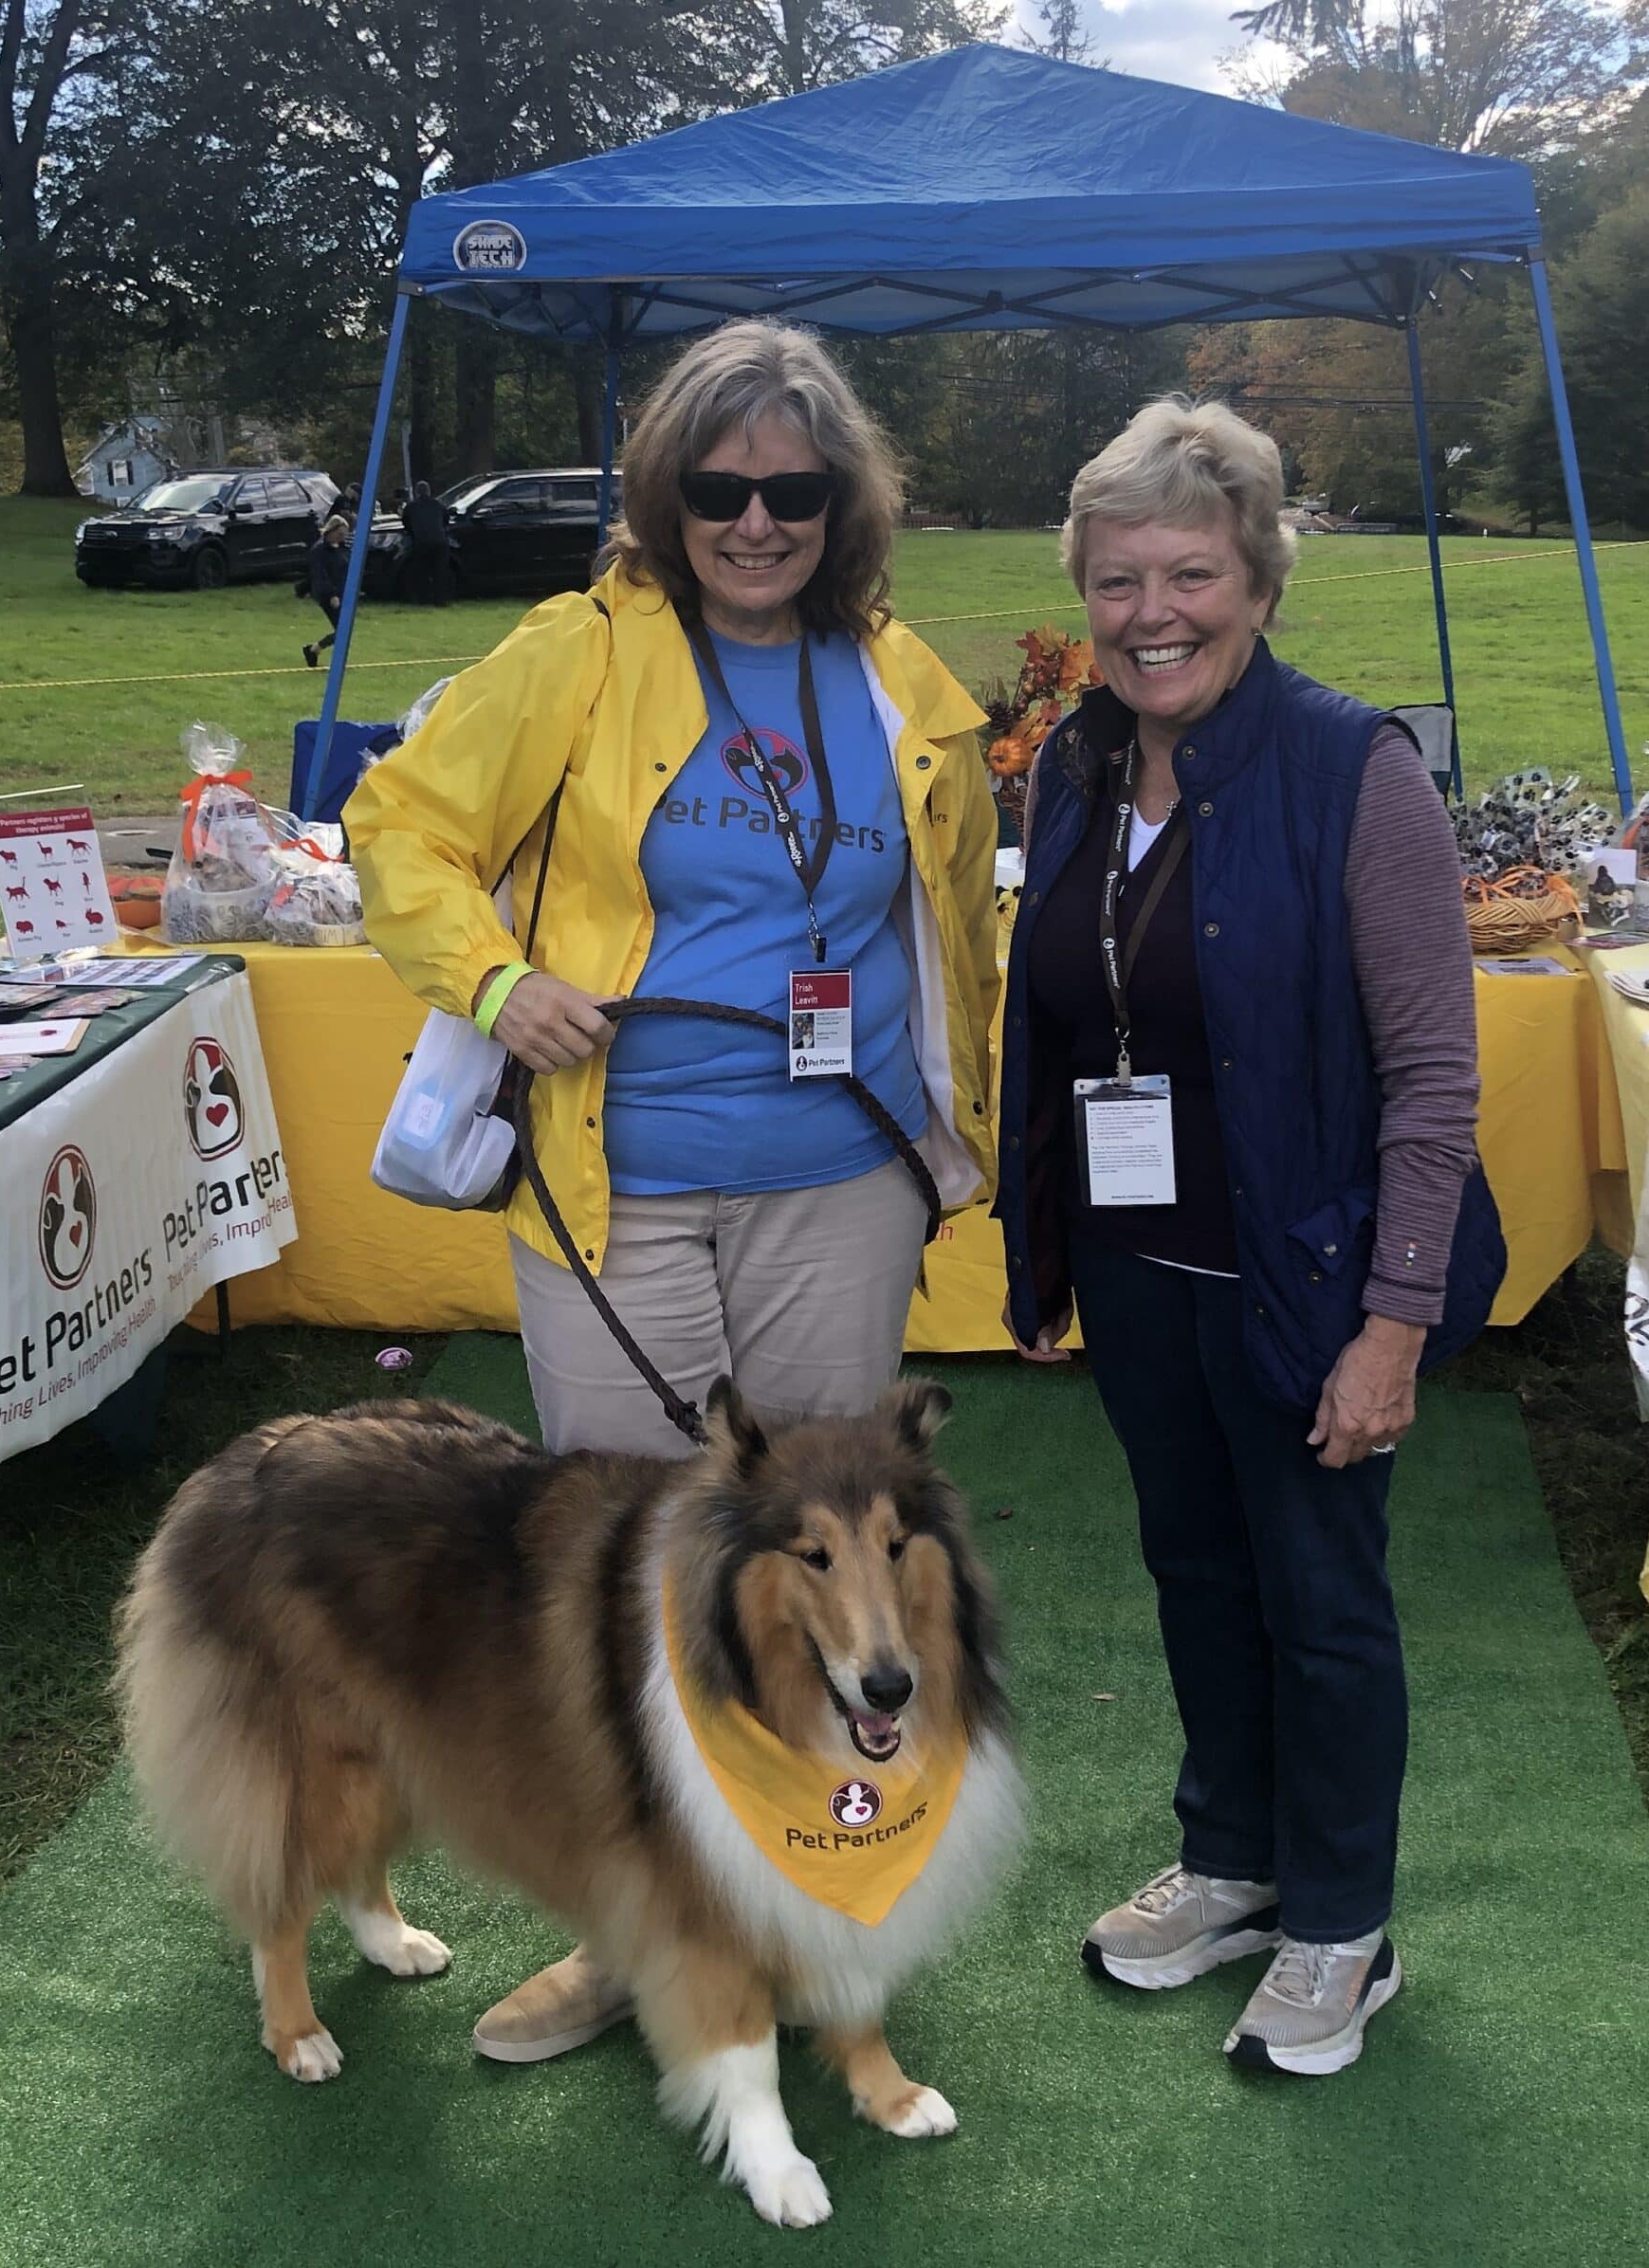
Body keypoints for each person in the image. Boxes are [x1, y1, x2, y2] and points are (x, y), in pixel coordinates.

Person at [344, 318, 1000, 2066]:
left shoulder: (903, 679)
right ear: (670, 491)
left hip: (840, 1186)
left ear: (842, 499)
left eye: (794, 488)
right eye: (721, 486)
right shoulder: (576, 651)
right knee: (641, 1584)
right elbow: (395, 826)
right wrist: (491, 982)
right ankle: (630, 1940)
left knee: (823, 1587)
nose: (758, 519)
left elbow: (955, 915)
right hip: (615, 1188)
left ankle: (813, 1907)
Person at [993, 397, 1505, 2078]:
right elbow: (1059, 1024)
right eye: (1120, 576)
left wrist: (1393, 1320)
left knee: (1322, 1599)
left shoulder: (1352, 768)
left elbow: (1434, 1077)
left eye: (1191, 572)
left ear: (1262, 577)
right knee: (1199, 1573)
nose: (1154, 611)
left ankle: (1342, 1925)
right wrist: (1047, 1248)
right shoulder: (1075, 764)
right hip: (1144, 1272)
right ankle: (1236, 1856)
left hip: (1307, 1281)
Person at [302, 514, 351, 668]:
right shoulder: (319, 550)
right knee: (343, 630)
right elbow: (320, 575)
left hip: (343, 593)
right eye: (340, 534)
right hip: (327, 595)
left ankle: (313, 649)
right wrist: (332, 595)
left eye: (344, 535)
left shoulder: (343, 548)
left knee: (344, 630)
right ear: (331, 530)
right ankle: (314, 650)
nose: (342, 537)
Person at [400, 481, 453, 605]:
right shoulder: (438, 505)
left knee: (421, 571)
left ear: (416, 493)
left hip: (421, 542)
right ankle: (440, 600)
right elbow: (446, 521)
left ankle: (423, 599)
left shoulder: (411, 507)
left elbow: (406, 523)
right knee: (440, 571)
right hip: (440, 541)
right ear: (429, 492)